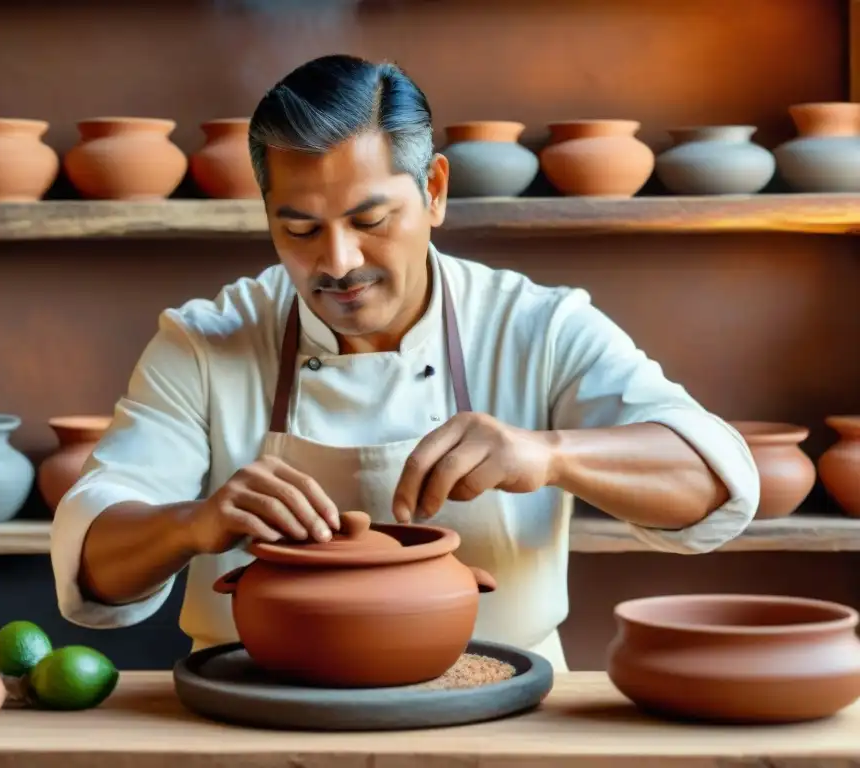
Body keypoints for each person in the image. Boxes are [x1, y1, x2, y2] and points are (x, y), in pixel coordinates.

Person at [50, 54, 760, 673]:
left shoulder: (538, 324)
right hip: (257, 715)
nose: (337, 263)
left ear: (435, 191)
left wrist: (546, 453)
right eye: (298, 229)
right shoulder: (206, 341)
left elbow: (715, 481)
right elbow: (94, 567)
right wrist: (194, 523)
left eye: (370, 221)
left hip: (506, 721)